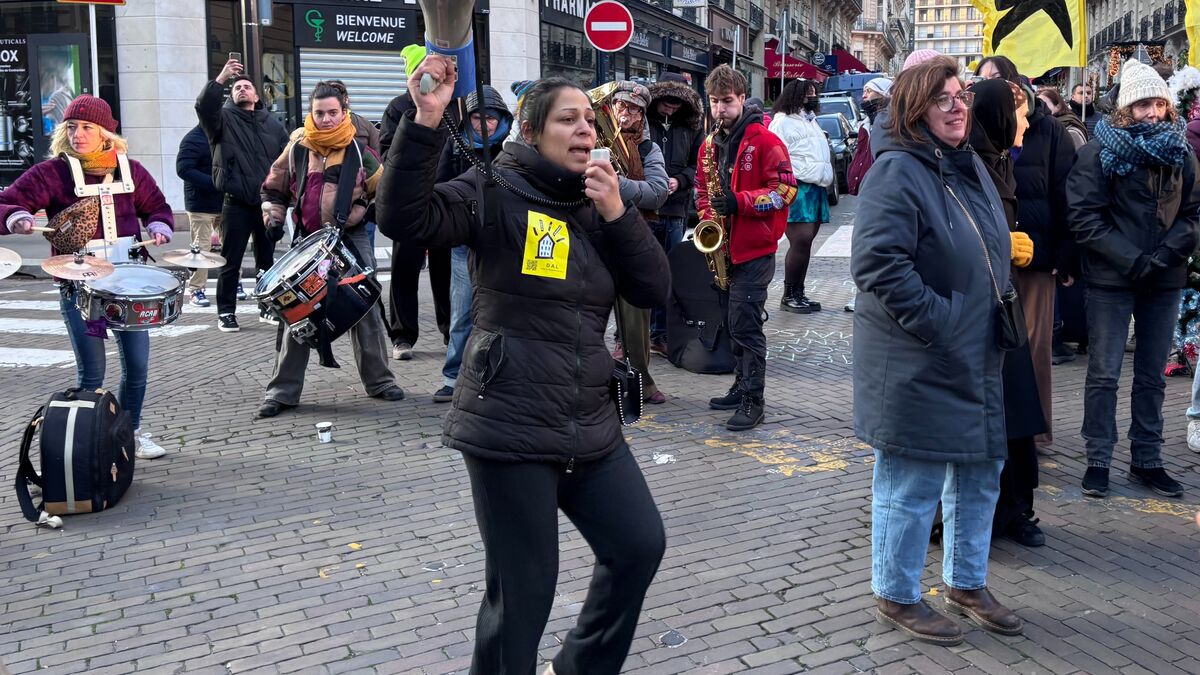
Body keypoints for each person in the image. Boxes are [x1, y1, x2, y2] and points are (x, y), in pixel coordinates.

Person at [376, 63, 669, 674]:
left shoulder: (596, 200)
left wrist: (618, 211)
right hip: (509, 423)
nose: (586, 130)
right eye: (569, 119)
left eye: (591, 120)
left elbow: (653, 289)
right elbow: (404, 220)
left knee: (638, 544)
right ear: (530, 132)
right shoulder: (492, 190)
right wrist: (427, 120)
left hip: (588, 418)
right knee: (523, 596)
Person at [852, 56, 1022, 645]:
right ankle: (896, 592)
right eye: (942, 98)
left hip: (977, 350)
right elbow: (877, 263)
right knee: (912, 478)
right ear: (913, 107)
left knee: (979, 470)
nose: (957, 106)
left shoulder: (966, 161)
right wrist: (943, 320)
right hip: (922, 354)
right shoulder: (896, 170)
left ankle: (966, 580)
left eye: (962, 95)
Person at [0, 95, 175, 459]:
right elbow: (8, 202)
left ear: (106, 132)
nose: (78, 134)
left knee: (138, 366)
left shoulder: (131, 170)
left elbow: (157, 206)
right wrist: (16, 217)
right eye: (73, 127)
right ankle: (90, 442)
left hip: (128, 282)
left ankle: (130, 433)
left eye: (87, 128)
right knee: (92, 371)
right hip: (78, 283)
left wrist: (159, 224)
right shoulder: (52, 172)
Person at [1066, 59, 1200, 499]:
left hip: (1164, 275)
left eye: (1159, 103)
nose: (1153, 112)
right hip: (1111, 277)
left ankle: (1147, 457)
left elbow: (1193, 214)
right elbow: (1084, 217)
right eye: (1144, 104)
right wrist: (1130, 258)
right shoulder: (1098, 151)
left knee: (1152, 374)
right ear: (1127, 107)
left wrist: (1165, 253)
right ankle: (1099, 457)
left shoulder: (1181, 152)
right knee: (1104, 373)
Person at [254, 82, 406, 418]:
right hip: (308, 243)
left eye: (332, 112)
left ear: (343, 111)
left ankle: (379, 381)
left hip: (350, 238)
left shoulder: (359, 151)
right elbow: (273, 188)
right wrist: (274, 219)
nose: (325, 119)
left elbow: (384, 194)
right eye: (319, 112)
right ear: (311, 112)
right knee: (296, 314)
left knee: (364, 311)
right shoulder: (296, 147)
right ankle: (282, 391)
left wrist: (373, 212)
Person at [969, 79, 1049, 548]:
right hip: (983, 309)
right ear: (999, 117)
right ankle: (985, 515)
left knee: (1016, 413)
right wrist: (1004, 248)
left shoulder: (999, 158)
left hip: (1006, 301)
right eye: (1019, 113)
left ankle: (1017, 508)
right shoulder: (972, 163)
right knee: (993, 416)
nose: (1026, 122)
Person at [696, 65, 798, 431]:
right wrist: (709, 216)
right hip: (723, 248)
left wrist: (741, 202)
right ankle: (740, 387)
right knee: (731, 323)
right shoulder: (710, 143)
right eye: (714, 102)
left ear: (741, 98)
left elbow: (786, 190)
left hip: (755, 250)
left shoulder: (766, 141)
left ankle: (755, 399)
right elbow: (701, 189)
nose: (719, 109)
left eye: (726, 101)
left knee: (745, 325)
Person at [196, 56, 290, 333]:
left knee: (267, 260)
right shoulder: (221, 120)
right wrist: (222, 77)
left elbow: (286, 161)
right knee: (230, 261)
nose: (242, 90)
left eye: (247, 87)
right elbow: (203, 105)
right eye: (237, 88)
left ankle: (267, 308)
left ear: (257, 95)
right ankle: (226, 312)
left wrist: (285, 198)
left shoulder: (272, 124)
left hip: (266, 204)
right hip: (234, 203)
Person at [432, 85, 512, 403]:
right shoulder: (455, 144)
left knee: (504, 310)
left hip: (504, 241)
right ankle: (453, 376)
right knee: (462, 311)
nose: (484, 124)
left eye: (490, 118)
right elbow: (439, 186)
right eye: (477, 117)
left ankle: (500, 374)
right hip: (464, 242)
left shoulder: (510, 148)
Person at [379, 43, 451, 360]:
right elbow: (386, 154)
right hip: (410, 199)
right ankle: (402, 335)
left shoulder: (452, 104)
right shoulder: (398, 108)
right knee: (404, 269)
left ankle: (451, 331)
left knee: (446, 270)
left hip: (444, 198)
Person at [607, 81, 670, 403]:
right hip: (593, 236)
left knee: (635, 316)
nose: (626, 113)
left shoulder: (649, 149)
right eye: (621, 106)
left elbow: (657, 192)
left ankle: (642, 381)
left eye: (634, 109)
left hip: (632, 235)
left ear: (643, 115)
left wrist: (616, 183)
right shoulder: (595, 137)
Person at [646, 72, 704, 354]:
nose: (670, 109)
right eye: (666, 103)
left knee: (668, 273)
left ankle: (660, 334)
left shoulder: (692, 127)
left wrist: (679, 180)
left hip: (675, 208)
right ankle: (629, 336)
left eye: (676, 105)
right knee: (640, 271)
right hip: (644, 208)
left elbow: (698, 163)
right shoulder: (643, 121)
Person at [769, 79, 833, 314]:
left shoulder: (811, 121)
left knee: (807, 243)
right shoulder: (782, 122)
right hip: (799, 186)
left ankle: (798, 291)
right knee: (801, 240)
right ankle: (789, 294)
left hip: (816, 186)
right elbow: (774, 155)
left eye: (815, 92)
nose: (813, 96)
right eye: (808, 93)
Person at [845, 76, 893, 313]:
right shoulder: (865, 124)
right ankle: (861, 294)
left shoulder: (889, 123)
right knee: (863, 245)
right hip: (867, 188)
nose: (864, 96)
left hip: (884, 191)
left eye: (869, 91)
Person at [176, 124, 224, 307]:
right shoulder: (193, 138)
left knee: (231, 246)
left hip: (225, 200)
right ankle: (196, 289)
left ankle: (233, 284)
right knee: (201, 248)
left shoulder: (227, 135)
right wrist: (214, 183)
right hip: (200, 203)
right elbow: (183, 169)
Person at [329, 80, 381, 247]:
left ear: (346, 98)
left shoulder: (364, 125)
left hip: (359, 205)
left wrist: (371, 203)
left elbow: (379, 166)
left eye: (340, 93)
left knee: (363, 259)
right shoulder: (315, 131)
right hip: (328, 208)